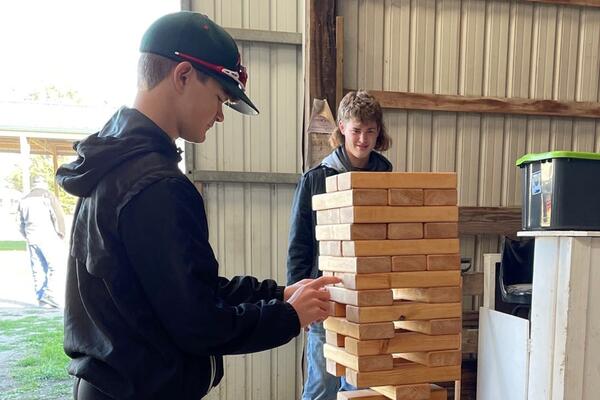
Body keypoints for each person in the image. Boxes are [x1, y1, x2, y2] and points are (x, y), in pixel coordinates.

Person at [55, 11, 339, 400]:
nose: (220, 115)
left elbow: (190, 290)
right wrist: (288, 317)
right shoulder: (155, 185)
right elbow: (198, 324)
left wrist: (281, 294)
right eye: (220, 97)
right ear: (184, 75)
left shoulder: (115, 162)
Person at [287, 91, 393, 400]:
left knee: (359, 388)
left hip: (368, 300)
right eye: (357, 129)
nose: (363, 138)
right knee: (322, 387)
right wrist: (297, 295)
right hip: (327, 297)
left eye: (370, 131)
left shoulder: (385, 176)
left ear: (378, 133)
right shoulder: (316, 178)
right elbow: (300, 243)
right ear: (343, 127)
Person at [18, 176, 65, 308]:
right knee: (55, 266)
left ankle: (41, 299)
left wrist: (26, 235)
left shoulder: (24, 199)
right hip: (48, 235)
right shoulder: (47, 196)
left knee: (37, 267)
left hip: (31, 237)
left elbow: (19, 223)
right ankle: (49, 294)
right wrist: (61, 233)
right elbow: (58, 216)